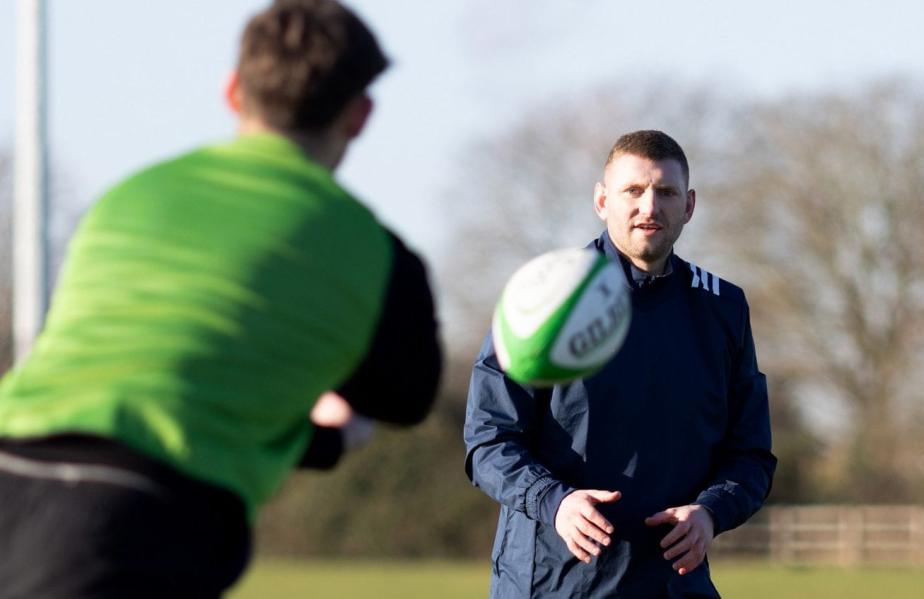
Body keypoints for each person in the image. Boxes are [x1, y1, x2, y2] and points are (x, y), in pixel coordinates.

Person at [0, 1, 441, 597]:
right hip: (130, 520)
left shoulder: (128, 196)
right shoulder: (378, 256)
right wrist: (335, 434)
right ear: (359, 115)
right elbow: (404, 398)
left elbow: (136, 373)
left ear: (232, 91)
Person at [464, 130, 776, 598]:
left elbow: (750, 455)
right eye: (633, 190)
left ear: (689, 205)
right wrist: (555, 502)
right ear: (601, 200)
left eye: (666, 192)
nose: (649, 207)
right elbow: (488, 438)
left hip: (675, 587)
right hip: (555, 585)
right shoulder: (545, 297)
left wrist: (711, 512)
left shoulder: (723, 308)